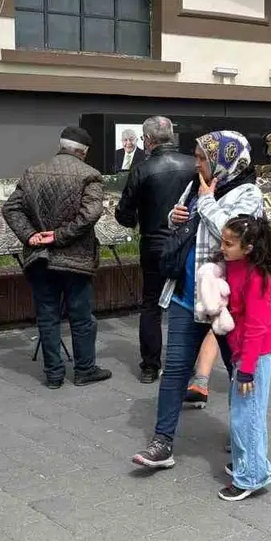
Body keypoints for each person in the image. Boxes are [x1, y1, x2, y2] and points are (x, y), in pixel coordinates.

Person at [133, 131, 263, 469]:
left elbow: (231, 234)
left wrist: (205, 203)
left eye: (203, 158)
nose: (197, 163)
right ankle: (162, 443)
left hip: (226, 303)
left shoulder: (248, 193)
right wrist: (175, 217)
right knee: (175, 370)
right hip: (184, 295)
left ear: (225, 161)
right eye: (197, 156)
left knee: (239, 372)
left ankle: (243, 439)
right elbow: (184, 227)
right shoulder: (197, 185)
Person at [2, 126, 112, 389]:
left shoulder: (33, 172)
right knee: (81, 318)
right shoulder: (90, 175)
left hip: (40, 258)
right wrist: (59, 235)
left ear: (61, 146)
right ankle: (84, 369)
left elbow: (11, 208)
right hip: (75, 259)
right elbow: (90, 215)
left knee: (47, 318)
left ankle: (53, 374)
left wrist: (31, 235)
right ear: (83, 153)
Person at [116, 116, 198, 383]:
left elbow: (124, 212)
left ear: (147, 140)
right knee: (190, 302)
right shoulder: (193, 165)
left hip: (153, 244)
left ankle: (150, 366)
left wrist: (135, 220)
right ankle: (189, 362)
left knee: (151, 305)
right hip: (187, 243)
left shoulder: (142, 169)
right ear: (171, 136)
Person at [214, 215, 271, 501]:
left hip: (255, 352)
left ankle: (251, 475)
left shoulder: (257, 278)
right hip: (243, 350)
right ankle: (252, 462)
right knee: (244, 411)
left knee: (247, 416)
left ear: (249, 248)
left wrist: (247, 369)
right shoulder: (233, 265)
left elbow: (257, 326)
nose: (223, 247)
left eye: (229, 243)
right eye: (223, 241)